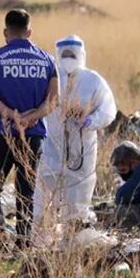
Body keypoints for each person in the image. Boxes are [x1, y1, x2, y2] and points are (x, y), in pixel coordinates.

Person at [0, 9, 59, 248]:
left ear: (6, 32)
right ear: (29, 31)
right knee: (26, 192)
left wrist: (11, 115)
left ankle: (0, 242)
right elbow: (53, 100)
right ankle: (23, 243)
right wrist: (31, 116)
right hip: (32, 136)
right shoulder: (47, 60)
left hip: (0, 134)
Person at [33, 35, 117, 234]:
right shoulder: (48, 77)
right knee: (43, 194)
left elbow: (108, 110)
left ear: (81, 55)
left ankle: (72, 242)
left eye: (72, 54)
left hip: (82, 148)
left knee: (78, 198)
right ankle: (41, 239)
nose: (68, 58)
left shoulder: (93, 81)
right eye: (65, 54)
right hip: (50, 145)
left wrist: (90, 121)